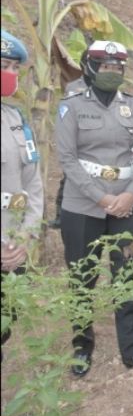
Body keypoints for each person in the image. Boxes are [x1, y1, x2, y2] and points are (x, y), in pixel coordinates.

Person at [55, 40, 133, 377]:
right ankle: (82, 348)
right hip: (82, 206)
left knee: (128, 275)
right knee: (82, 277)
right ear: (90, 67)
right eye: (106, 66)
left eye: (118, 67)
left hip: (130, 206)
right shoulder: (71, 105)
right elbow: (67, 159)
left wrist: (129, 195)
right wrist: (101, 198)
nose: (113, 72)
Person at [1, 29, 44, 356]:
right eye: (6, 66)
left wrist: (26, 236)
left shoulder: (15, 119)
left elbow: (33, 184)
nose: (12, 75)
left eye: (16, 68)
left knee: (5, 325)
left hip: (12, 246)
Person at [51, 50, 91, 229]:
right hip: (76, 139)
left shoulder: (109, 87)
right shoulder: (75, 86)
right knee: (68, 179)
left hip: (94, 141)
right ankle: (61, 216)